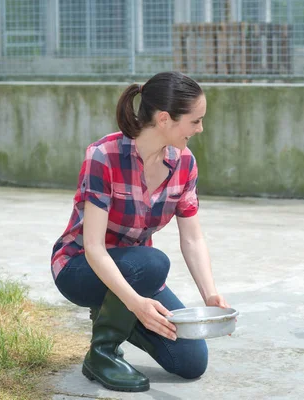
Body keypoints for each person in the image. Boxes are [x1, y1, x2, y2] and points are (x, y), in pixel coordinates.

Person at [50, 71, 230, 393]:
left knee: (190, 361)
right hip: (80, 267)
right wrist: (136, 303)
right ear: (164, 119)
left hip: (137, 273)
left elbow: (192, 237)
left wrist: (210, 295)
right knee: (154, 261)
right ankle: (102, 354)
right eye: (195, 121)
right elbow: (93, 247)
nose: (201, 129)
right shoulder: (104, 156)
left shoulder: (185, 164)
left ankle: (115, 312)